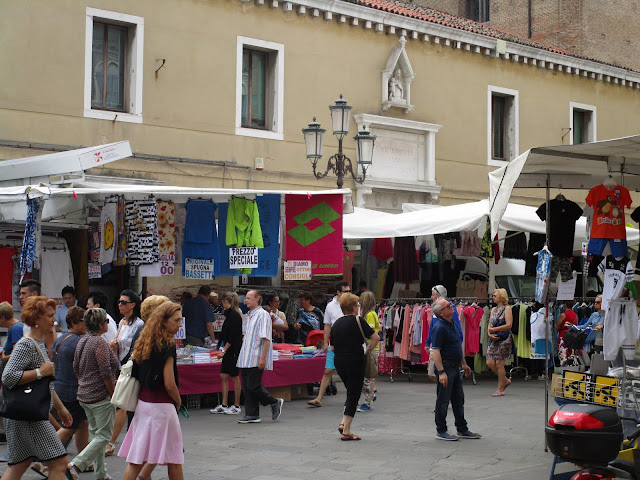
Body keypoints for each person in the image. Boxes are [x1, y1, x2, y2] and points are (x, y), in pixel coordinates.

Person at [1, 295, 73, 480]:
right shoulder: (27, 345)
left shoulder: (36, 342)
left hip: (24, 416)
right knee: (59, 462)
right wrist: (40, 372)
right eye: (49, 316)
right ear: (36, 319)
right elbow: (8, 377)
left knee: (20, 464)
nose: (54, 320)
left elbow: (45, 383)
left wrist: (60, 408)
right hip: (30, 418)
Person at [118, 302, 185, 480]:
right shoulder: (167, 346)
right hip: (162, 406)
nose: (180, 324)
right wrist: (178, 400)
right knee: (174, 458)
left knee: (136, 459)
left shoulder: (145, 341)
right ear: (163, 321)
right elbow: (169, 383)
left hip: (144, 404)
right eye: (177, 320)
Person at [67, 308, 119, 480]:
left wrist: (84, 383)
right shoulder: (99, 342)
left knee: (97, 435)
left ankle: (101, 473)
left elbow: (76, 368)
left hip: (84, 394)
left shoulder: (83, 341)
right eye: (106, 321)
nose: (108, 324)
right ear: (100, 324)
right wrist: (113, 393)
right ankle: (77, 464)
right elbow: (105, 371)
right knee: (104, 436)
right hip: (99, 396)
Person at [430, 297, 481, 441]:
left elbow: (457, 345)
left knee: (458, 399)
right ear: (441, 313)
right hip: (446, 367)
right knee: (443, 400)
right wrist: (441, 372)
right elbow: (436, 351)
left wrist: (463, 364)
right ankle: (441, 430)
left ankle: (462, 428)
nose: (451, 306)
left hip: (455, 366)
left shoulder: (451, 323)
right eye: (447, 306)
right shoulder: (439, 327)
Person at [331, 293, 379, 440]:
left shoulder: (337, 323)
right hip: (355, 360)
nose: (358, 308)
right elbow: (376, 337)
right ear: (353, 307)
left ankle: (343, 423)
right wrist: (369, 349)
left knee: (350, 392)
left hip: (339, 361)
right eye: (357, 305)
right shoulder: (358, 320)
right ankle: (347, 431)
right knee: (354, 394)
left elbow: (332, 347)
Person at [105, 289, 144, 457]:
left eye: (123, 302)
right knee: (125, 404)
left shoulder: (139, 325)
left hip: (130, 367)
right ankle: (132, 439)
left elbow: (136, 348)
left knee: (122, 403)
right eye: (119, 302)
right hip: (120, 367)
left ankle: (111, 442)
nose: (120, 305)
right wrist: (114, 346)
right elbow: (120, 344)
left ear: (133, 305)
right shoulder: (121, 322)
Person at [236, 290, 284, 424]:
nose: (246, 301)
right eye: (245, 298)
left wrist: (263, 357)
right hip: (246, 355)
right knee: (246, 387)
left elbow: (266, 338)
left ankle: (274, 402)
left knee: (253, 386)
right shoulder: (249, 315)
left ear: (258, 299)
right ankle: (252, 414)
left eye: (249, 298)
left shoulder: (263, 315)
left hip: (256, 355)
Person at [51, 306, 90, 462]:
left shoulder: (61, 338)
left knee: (82, 423)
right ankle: (44, 460)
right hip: (73, 391)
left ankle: (83, 461)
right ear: (74, 322)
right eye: (83, 321)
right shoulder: (78, 342)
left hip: (61, 388)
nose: (86, 325)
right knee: (69, 427)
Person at [307, 281, 351, 408]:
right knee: (328, 370)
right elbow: (327, 325)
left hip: (349, 344)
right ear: (338, 292)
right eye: (345, 291)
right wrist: (325, 342)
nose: (348, 293)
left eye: (349, 291)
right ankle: (319, 398)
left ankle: (356, 396)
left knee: (349, 372)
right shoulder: (330, 306)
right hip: (335, 343)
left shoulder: (354, 304)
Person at [211, 292, 243, 415]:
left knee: (234, 377)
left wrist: (224, 350)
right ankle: (224, 404)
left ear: (225, 301)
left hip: (233, 350)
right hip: (227, 349)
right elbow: (225, 334)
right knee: (223, 376)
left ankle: (236, 405)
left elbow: (233, 336)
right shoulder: (228, 315)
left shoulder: (235, 316)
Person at [426, 285, 463, 380]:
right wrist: (428, 341)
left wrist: (458, 341)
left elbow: (456, 326)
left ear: (439, 295)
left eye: (433, 295)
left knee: (437, 372)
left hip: (444, 346)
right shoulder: (437, 308)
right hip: (436, 343)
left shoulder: (447, 308)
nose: (431, 297)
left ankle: (443, 388)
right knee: (432, 373)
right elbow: (432, 326)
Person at [486, 288, 514, 397]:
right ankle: (505, 380)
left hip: (504, 339)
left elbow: (509, 325)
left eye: (495, 295)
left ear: (501, 297)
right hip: (493, 338)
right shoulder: (493, 310)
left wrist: (495, 330)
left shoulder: (507, 309)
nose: (493, 297)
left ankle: (500, 388)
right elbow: (490, 324)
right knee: (490, 362)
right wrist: (489, 333)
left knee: (499, 364)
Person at [357, 291, 380, 413]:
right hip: (371, 348)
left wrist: (369, 348)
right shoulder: (371, 314)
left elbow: (370, 333)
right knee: (367, 377)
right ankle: (370, 395)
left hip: (370, 348)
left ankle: (368, 401)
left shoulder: (369, 315)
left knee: (368, 377)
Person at [556, 299, 578, 364]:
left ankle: (563, 368)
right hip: (572, 336)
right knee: (571, 354)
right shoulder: (575, 315)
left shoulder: (563, 315)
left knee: (563, 353)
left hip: (563, 335)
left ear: (565, 305)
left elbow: (557, 326)